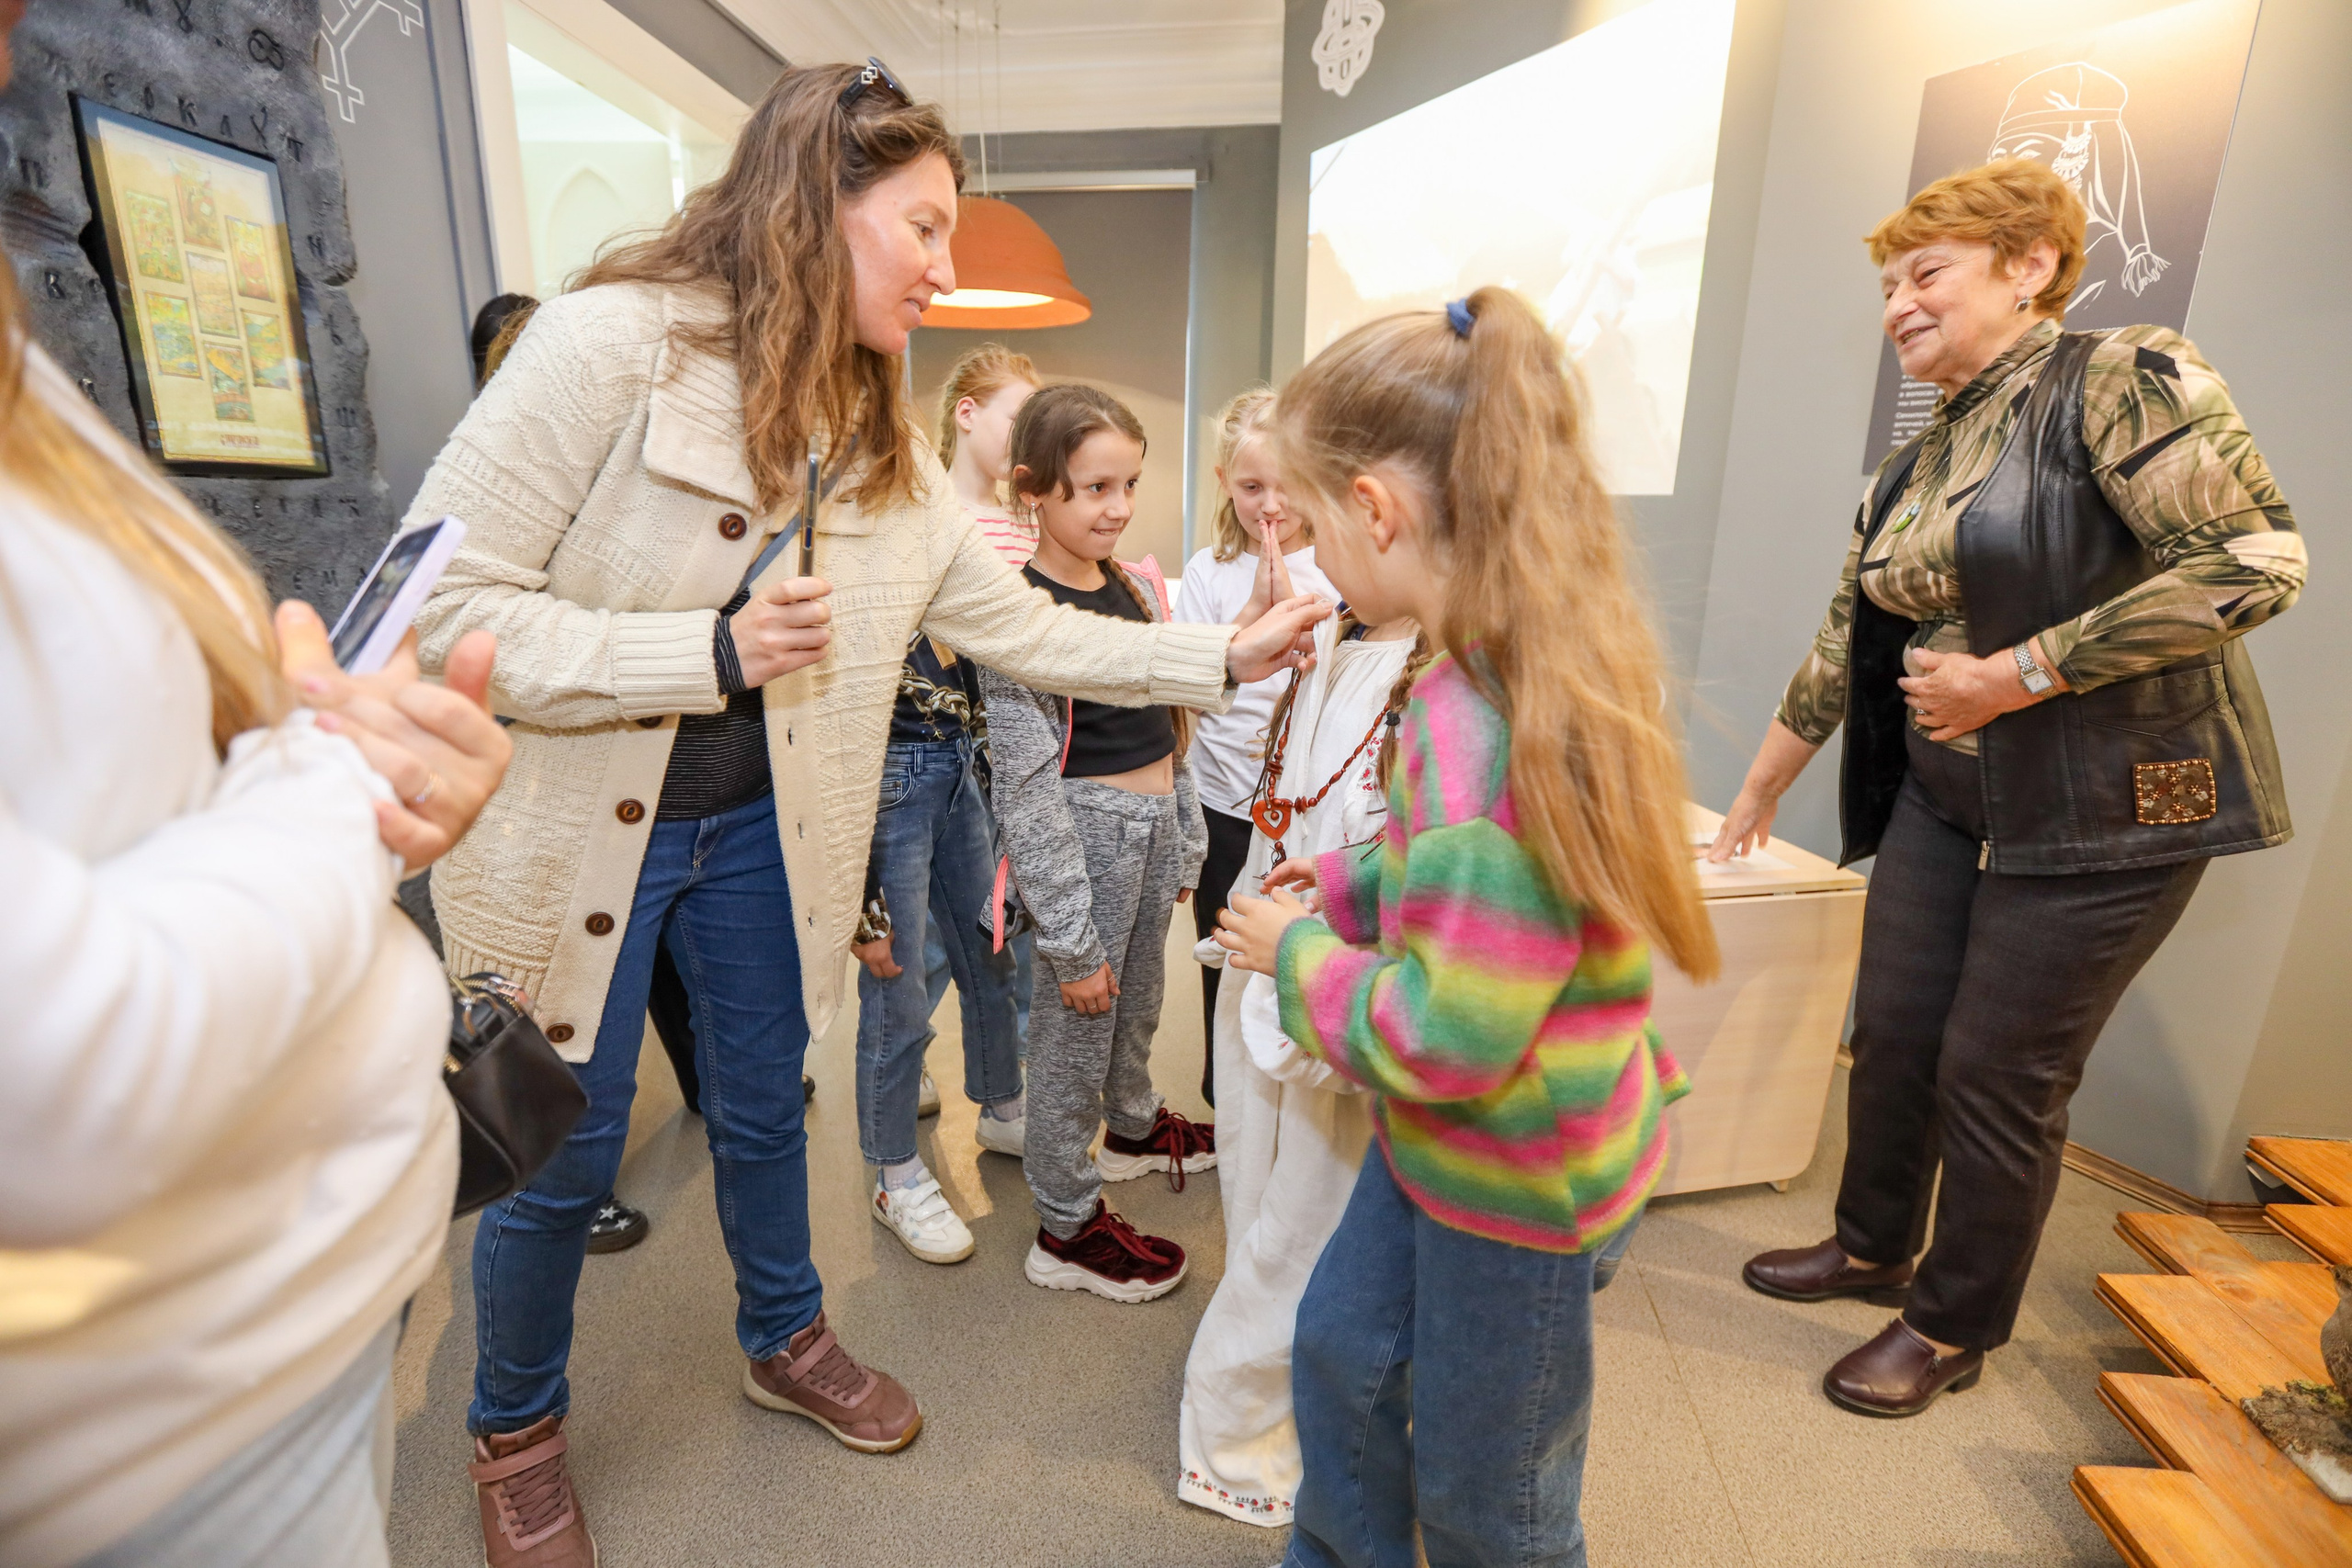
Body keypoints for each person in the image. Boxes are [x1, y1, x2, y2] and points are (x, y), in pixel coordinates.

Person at [405, 61, 1325, 1567]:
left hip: (765, 837)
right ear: (813, 211)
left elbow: (1026, 627)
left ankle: (787, 1333)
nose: (948, 267)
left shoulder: (873, 433)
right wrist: (700, 651)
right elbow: (437, 603)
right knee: (557, 1158)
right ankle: (513, 1427)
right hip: (579, 842)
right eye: (924, 227)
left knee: (772, 1106)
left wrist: (1216, 653)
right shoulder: (600, 346)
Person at [1715, 159, 2304, 1416]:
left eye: (1926, 273)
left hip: (2113, 800)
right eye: (1885, 286)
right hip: (1946, 789)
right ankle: (1874, 1244)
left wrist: (2019, 673)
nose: (1898, 305)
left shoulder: (2123, 375)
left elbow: (2256, 559)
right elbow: (1847, 631)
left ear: (2029, 265)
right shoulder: (1922, 453)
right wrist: (1762, 785)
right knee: (1894, 1033)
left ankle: (1951, 1321)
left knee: (1999, 1068)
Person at [0, 188, 512, 1568]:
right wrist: (333, 778)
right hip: (145, 1442)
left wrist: (285, 735)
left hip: (291, 1335)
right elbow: (50, 1075)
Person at [1216, 288, 1717, 1568]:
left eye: (1317, 524)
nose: (1316, 556)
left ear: (1377, 510)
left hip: (1516, 1177)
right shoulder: (1476, 666)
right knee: (1340, 1353)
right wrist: (1342, 887)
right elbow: (1442, 876)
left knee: (1495, 1497)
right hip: (1451, 1141)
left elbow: (1448, 1031)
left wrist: (1302, 955)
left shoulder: (1479, 723)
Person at [1177, 604, 1427, 1525]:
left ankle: (1270, 1418)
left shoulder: (1440, 687)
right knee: (1262, 1194)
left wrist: (1305, 947)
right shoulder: (1341, 639)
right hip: (1299, 945)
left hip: (1341, 991)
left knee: (1308, 1220)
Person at [982, 383, 1217, 1303]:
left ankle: (1127, 1128)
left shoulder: (1125, 583)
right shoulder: (1018, 613)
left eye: (1129, 485)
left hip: (1151, 833)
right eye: (1093, 490)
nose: (1117, 508)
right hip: (1086, 846)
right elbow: (1028, 793)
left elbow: (1170, 719)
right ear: (1034, 489)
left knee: (1137, 1012)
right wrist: (1071, 937)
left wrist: (1184, 834)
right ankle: (1066, 1227)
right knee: (1074, 1036)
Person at [849, 344, 1043, 1264]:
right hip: (891, 770)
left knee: (989, 950)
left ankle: (1004, 1107)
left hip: (958, 756)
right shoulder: (866, 521)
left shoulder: (949, 519)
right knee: (896, 991)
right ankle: (894, 1172)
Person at [469, 292, 652, 1259]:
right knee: (562, 1041)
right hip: (547, 799)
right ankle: (557, 1187)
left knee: (631, 1009)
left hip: (657, 787)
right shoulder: (510, 505)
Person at [1173, 389, 1336, 1105]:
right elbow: (1186, 691)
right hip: (1221, 803)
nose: (1270, 505)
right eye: (1250, 487)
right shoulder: (1210, 570)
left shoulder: (1341, 572)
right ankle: (1224, 1088)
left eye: (1288, 485)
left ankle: (1293, 1090)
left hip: (1303, 808)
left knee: (1292, 943)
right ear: (1222, 483)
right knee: (1225, 944)